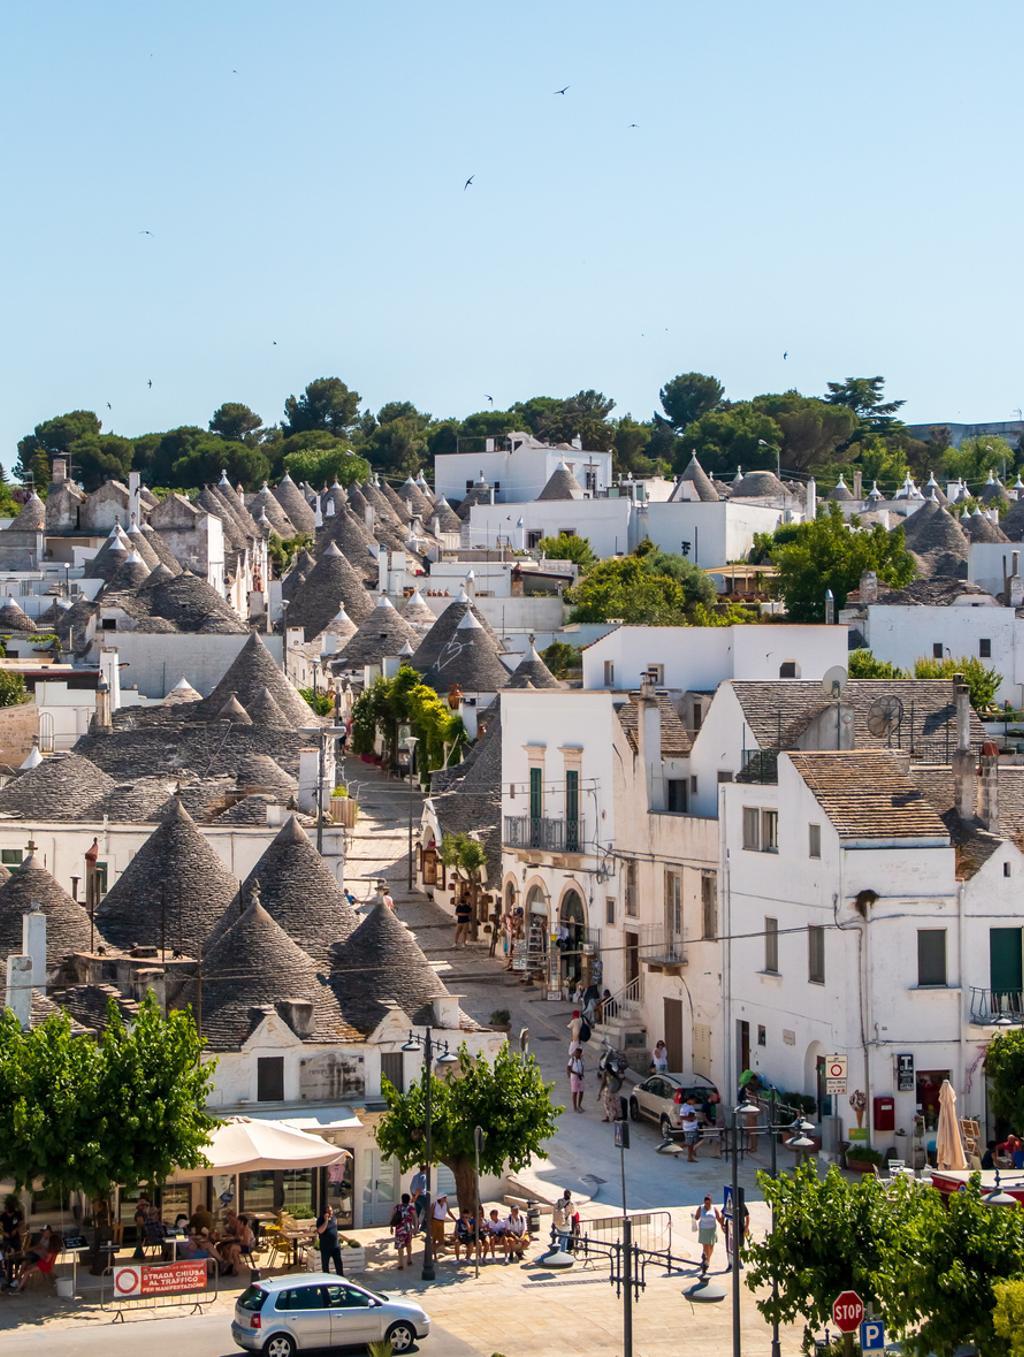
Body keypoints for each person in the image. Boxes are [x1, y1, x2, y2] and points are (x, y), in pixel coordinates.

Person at [12, 1227, 61, 1292]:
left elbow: (47, 1260)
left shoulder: (51, 1250)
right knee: (28, 1269)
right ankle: (22, 1285)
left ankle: (18, 1289)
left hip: (44, 1265)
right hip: (44, 1263)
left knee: (27, 1272)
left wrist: (43, 1251)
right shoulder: (53, 1249)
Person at [1, 1195, 24, 1291]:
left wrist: (16, 1229)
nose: (9, 1215)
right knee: (8, 1258)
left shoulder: (17, 1214)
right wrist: (3, 1233)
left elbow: (22, 1223)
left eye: (11, 1213)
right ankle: (9, 1279)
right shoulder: (3, 1216)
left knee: (17, 1257)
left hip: (16, 1238)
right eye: (8, 1213)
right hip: (7, 1239)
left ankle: (17, 1277)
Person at [694, 1196, 721, 1276]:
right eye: (706, 1203)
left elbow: (718, 1218)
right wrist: (694, 1217)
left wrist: (723, 1225)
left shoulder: (714, 1209)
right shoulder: (701, 1208)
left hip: (712, 1230)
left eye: (709, 1203)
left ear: (711, 1202)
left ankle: (707, 1259)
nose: (707, 1205)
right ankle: (706, 1261)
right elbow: (697, 1217)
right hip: (704, 1230)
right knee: (706, 1246)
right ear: (704, 1202)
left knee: (711, 1246)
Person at [316, 1202, 344, 1276]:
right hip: (326, 1248)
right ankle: (326, 1281)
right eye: (329, 1211)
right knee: (325, 1266)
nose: (331, 1212)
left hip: (335, 1247)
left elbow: (335, 1229)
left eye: (331, 1211)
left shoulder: (334, 1218)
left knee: (339, 1265)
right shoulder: (320, 1220)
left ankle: (341, 1279)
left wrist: (338, 1239)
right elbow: (320, 1231)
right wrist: (326, 1221)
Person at [392, 1193, 416, 1271]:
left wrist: (391, 1227)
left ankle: (400, 1264)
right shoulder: (411, 1208)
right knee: (408, 1244)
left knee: (400, 1247)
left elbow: (393, 1217)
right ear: (409, 1200)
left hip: (399, 1229)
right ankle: (409, 1259)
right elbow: (415, 1218)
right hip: (408, 1229)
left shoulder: (397, 1207)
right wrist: (416, 1227)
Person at [679, 1096, 701, 1163]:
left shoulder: (690, 1106)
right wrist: (691, 1119)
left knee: (691, 1143)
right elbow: (682, 1117)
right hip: (688, 1128)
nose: (694, 1102)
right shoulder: (684, 1107)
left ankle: (689, 1157)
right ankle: (677, 1149)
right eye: (693, 1100)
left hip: (693, 1127)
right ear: (689, 1100)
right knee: (688, 1143)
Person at [409, 1164, 428, 1229]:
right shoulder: (423, 1176)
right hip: (421, 1196)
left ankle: (416, 1227)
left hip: (415, 1196)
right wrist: (415, 1197)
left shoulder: (415, 1176)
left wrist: (413, 1197)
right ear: (425, 1169)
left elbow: (411, 1187)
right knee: (428, 1210)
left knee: (417, 1212)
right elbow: (419, 1189)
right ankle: (423, 1226)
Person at [567, 1045, 585, 1113]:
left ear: (580, 1054)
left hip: (580, 1077)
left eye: (578, 1053)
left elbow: (582, 1067)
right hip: (574, 1077)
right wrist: (576, 1073)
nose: (576, 1054)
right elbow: (569, 1068)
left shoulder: (581, 1060)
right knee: (575, 1092)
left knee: (581, 1091)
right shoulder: (572, 1060)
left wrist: (582, 1073)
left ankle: (579, 1105)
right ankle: (575, 1107)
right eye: (576, 1052)